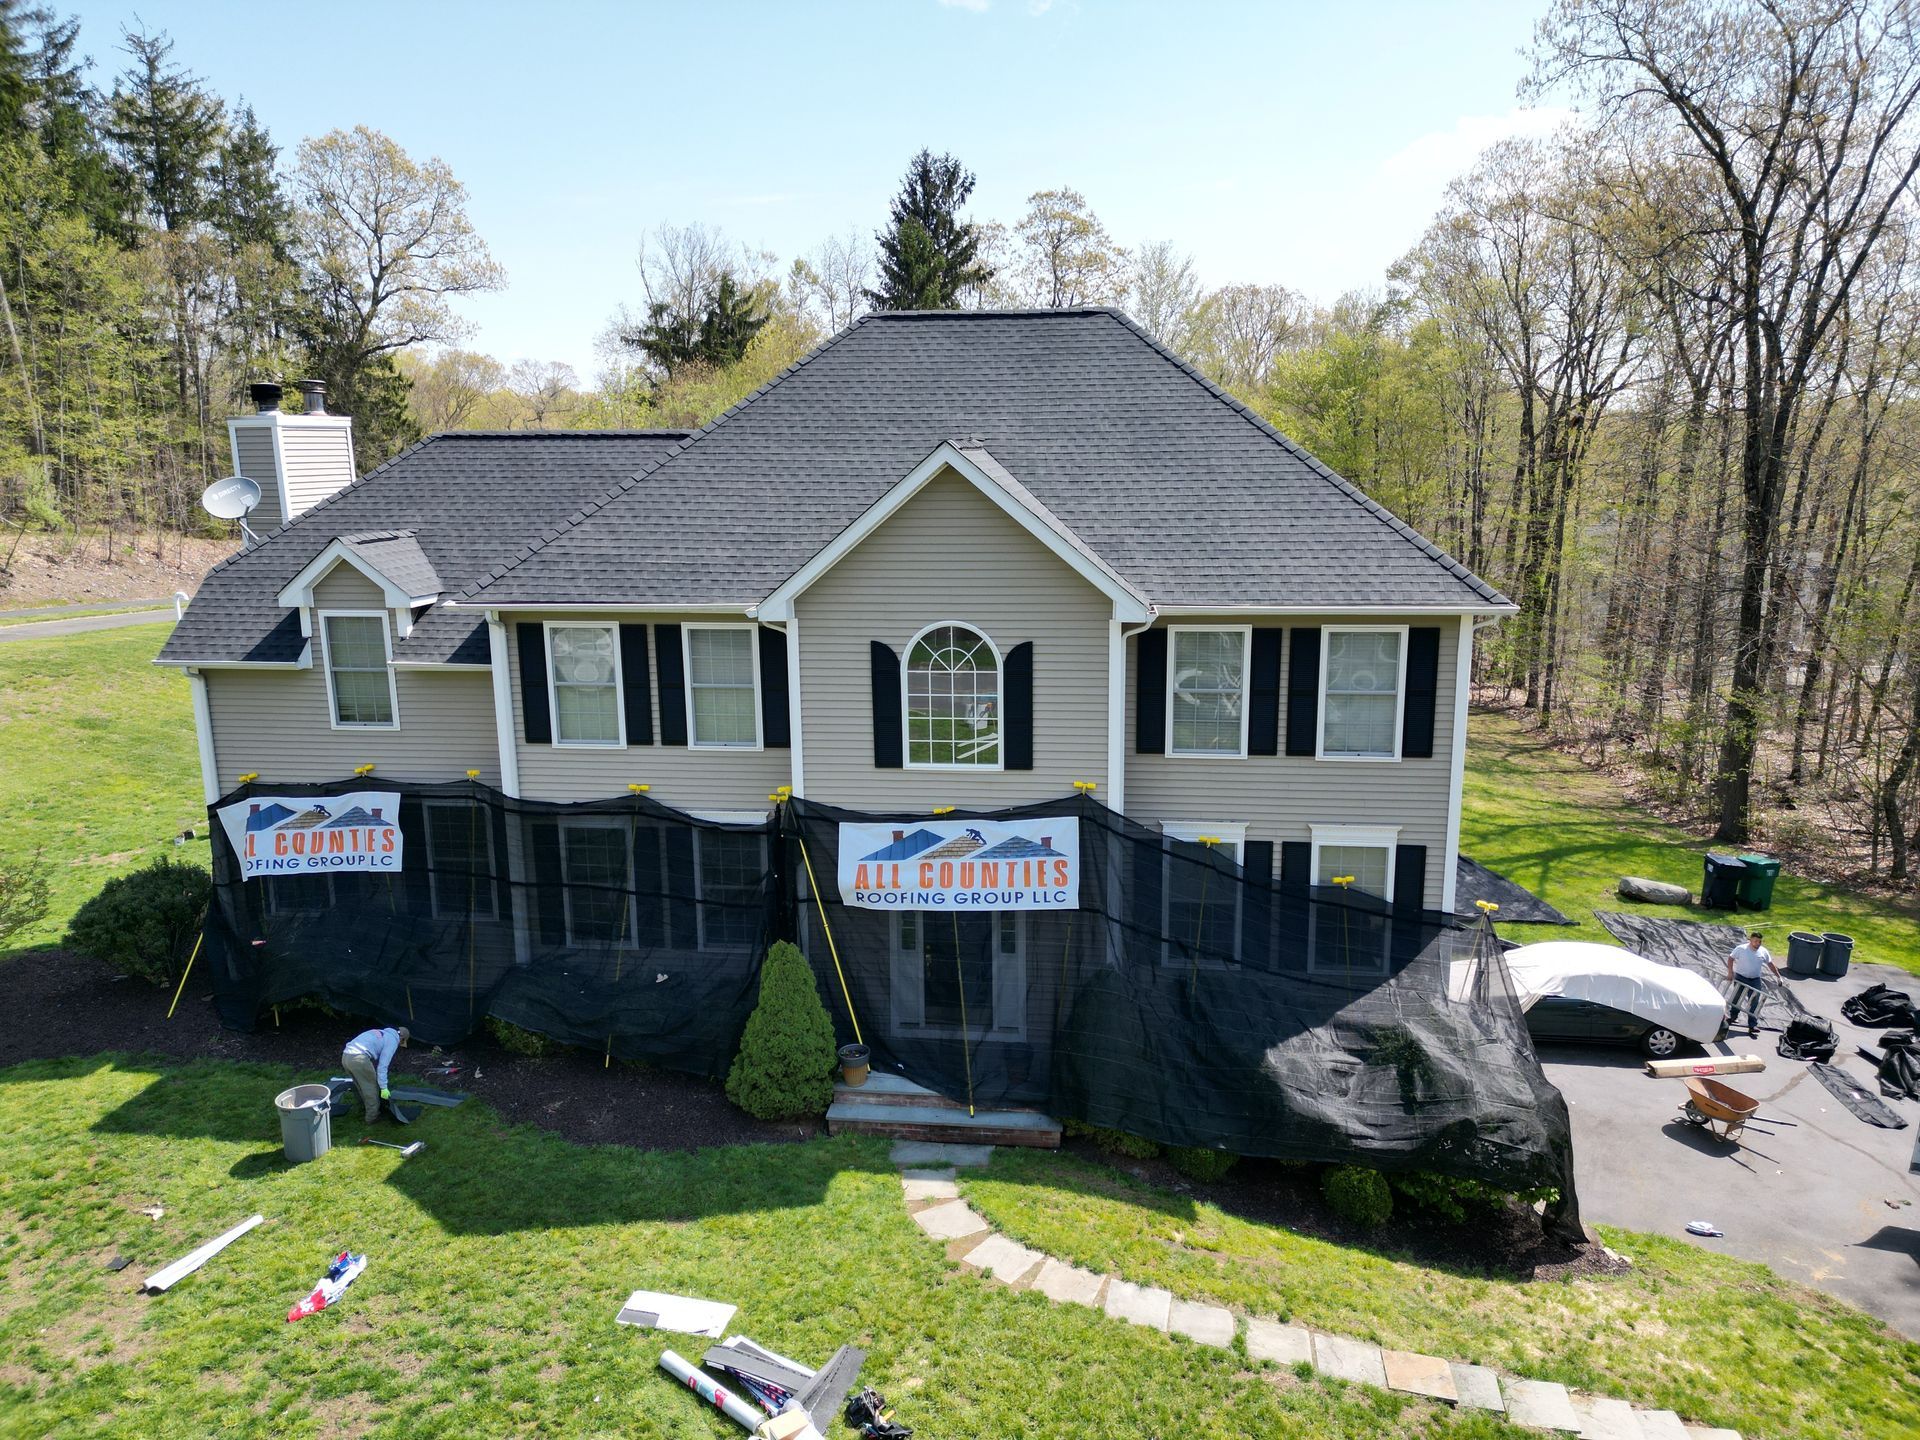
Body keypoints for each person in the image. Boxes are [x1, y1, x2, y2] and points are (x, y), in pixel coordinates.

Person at [341, 1025, 409, 1121]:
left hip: (346, 1056)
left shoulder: (382, 1033)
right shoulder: (392, 1040)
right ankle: (372, 1117)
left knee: (361, 1085)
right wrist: (384, 1088)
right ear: (401, 1038)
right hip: (358, 1059)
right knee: (371, 1087)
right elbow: (382, 1066)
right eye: (401, 1042)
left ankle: (364, 1108)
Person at [1724, 932, 1780, 1038]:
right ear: (1750, 940)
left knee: (1754, 1001)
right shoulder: (1741, 949)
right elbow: (1731, 958)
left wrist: (1778, 976)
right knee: (1736, 998)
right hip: (1740, 977)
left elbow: (1770, 964)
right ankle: (1733, 1016)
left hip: (1755, 980)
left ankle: (1752, 1025)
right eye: (1755, 941)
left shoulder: (1763, 951)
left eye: (1759, 941)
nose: (1757, 943)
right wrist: (1730, 972)